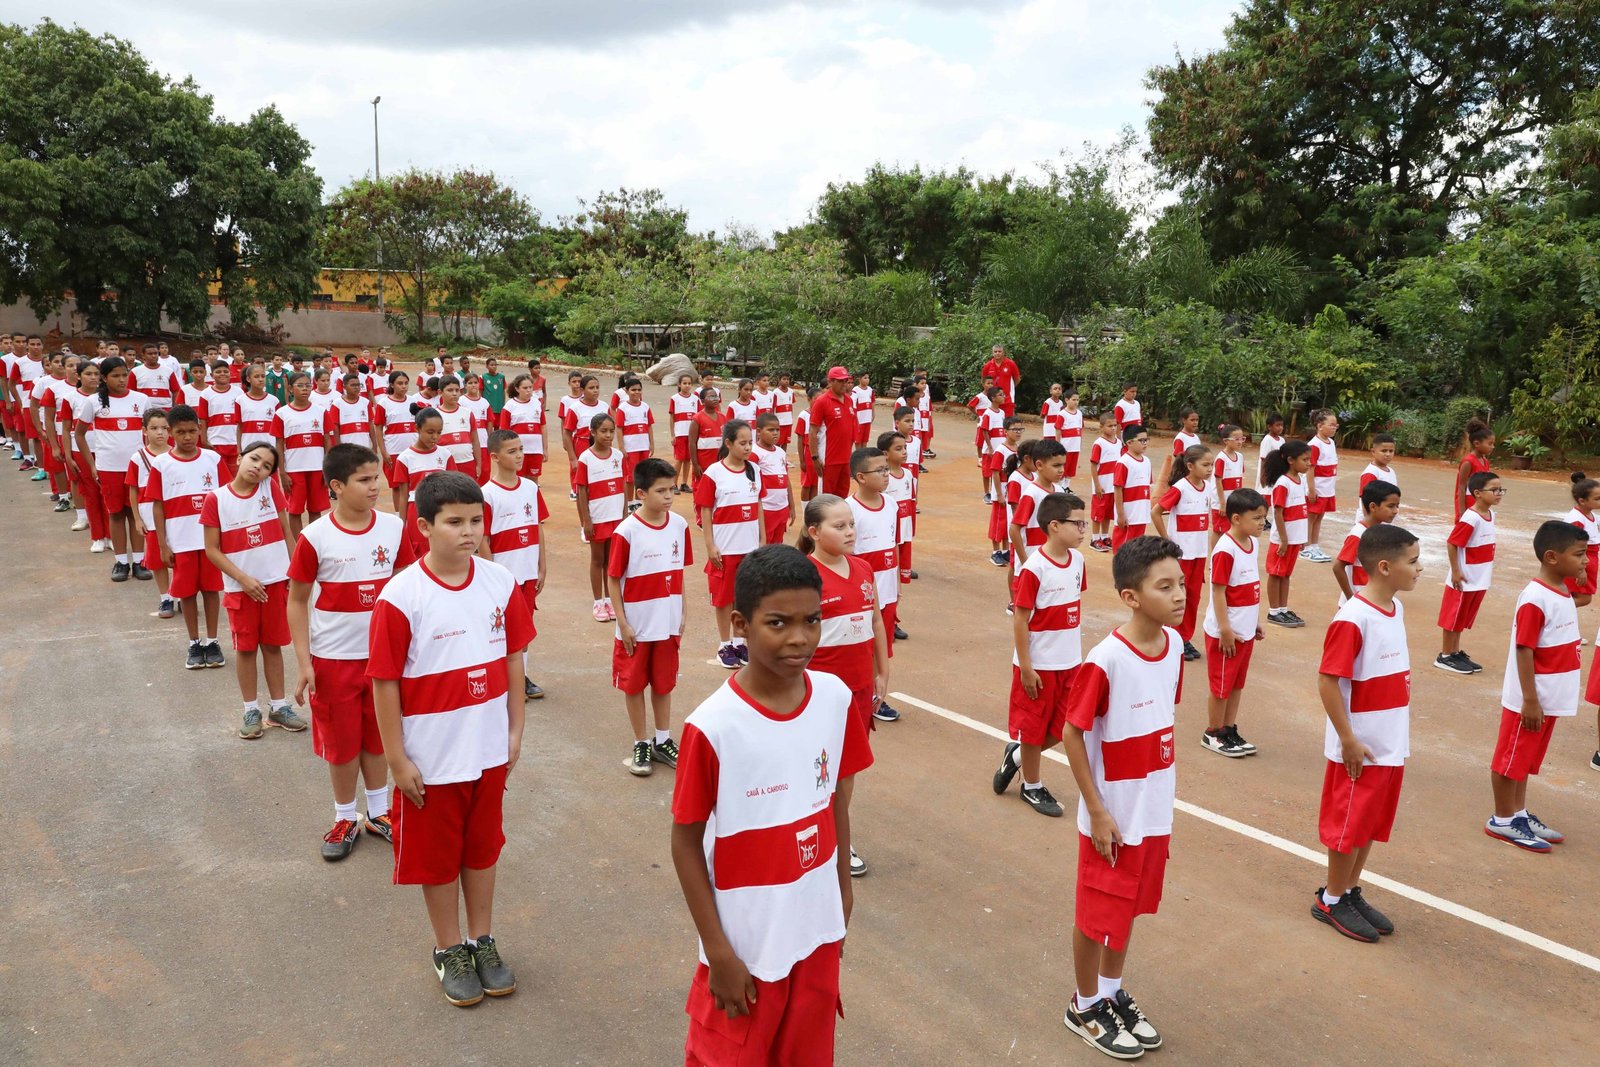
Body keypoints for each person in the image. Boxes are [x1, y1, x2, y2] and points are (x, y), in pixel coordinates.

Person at [669, 545, 871, 1066]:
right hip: (748, 947)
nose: (799, 638)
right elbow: (686, 843)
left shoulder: (833, 697)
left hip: (817, 932)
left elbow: (836, 804)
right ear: (741, 623)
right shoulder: (712, 726)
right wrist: (717, 952)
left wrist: (841, 899)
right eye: (778, 623)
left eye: (812, 620)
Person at [369, 470, 531, 1008]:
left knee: (482, 851)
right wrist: (396, 759)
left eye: (476, 520)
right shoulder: (401, 596)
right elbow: (385, 682)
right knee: (438, 858)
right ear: (423, 527)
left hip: (486, 750)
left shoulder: (499, 583)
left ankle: (482, 939)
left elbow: (513, 659)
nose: (469, 532)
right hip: (431, 758)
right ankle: (448, 948)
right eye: (454, 522)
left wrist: (514, 730)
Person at [1060, 536, 1184, 1060]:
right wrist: (1098, 810)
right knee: (1096, 914)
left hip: (1152, 811)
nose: (1180, 594)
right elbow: (1072, 733)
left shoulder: (1176, 646)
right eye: (1165, 586)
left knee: (1127, 909)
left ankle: (1111, 992)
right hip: (1113, 816)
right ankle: (1084, 1003)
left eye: (1180, 583)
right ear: (1131, 597)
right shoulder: (1105, 659)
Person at [287, 443, 413, 860]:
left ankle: (379, 813)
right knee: (342, 744)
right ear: (337, 487)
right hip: (333, 659)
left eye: (377, 477)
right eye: (364, 479)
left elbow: (407, 589)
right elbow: (297, 599)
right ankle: (345, 816)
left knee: (378, 738)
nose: (375, 486)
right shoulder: (314, 537)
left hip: (384, 661)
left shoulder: (394, 528)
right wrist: (305, 662)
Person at [1312, 523, 1421, 943]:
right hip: (1360, 745)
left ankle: (1350, 890)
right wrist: (1348, 739)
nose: (1419, 569)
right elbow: (1327, 680)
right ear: (1383, 566)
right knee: (1349, 825)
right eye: (1412, 562)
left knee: (1370, 823)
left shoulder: (1395, 609)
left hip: (1389, 741)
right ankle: (1331, 898)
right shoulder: (1354, 618)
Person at [1485, 520, 1587, 854]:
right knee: (1510, 759)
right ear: (1552, 557)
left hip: (1549, 698)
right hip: (1531, 700)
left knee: (1524, 761)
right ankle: (1501, 820)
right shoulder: (1535, 598)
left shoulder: (1561, 591)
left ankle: (1518, 813)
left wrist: (1583, 577)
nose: (1586, 560)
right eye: (1580, 555)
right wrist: (1529, 699)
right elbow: (1523, 648)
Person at [798, 494, 886, 879]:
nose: (850, 531)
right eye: (840, 526)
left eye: (851, 524)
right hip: (817, 693)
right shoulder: (803, 577)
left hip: (860, 689)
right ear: (814, 532)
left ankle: (837, 834)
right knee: (815, 768)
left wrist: (882, 671)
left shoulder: (864, 569)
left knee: (846, 767)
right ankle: (806, 832)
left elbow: (877, 621)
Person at [201, 441, 308, 739]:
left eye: (266, 466)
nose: (258, 468)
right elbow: (212, 549)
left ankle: (279, 707)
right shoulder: (216, 499)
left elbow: (287, 530)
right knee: (246, 650)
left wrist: (294, 571)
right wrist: (243, 579)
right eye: (254, 459)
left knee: (273, 645)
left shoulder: (270, 489)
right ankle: (251, 709)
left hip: (275, 583)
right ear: (239, 457)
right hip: (241, 589)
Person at [993, 491, 1087, 817]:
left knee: (1066, 727)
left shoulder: (1078, 561)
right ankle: (1031, 786)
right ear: (1054, 525)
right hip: (1039, 666)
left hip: (1070, 662)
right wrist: (1027, 667)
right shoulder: (1034, 568)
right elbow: (1021, 619)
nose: (1084, 529)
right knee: (1033, 729)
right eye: (1078, 523)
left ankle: (1016, 756)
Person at [607, 457, 691, 776]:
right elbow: (614, 578)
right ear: (641, 493)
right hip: (637, 625)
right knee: (633, 685)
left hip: (667, 622)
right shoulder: (626, 531)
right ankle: (641, 741)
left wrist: (682, 611)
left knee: (664, 683)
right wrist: (623, 623)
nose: (669, 497)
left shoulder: (679, 525)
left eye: (672, 490)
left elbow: (678, 572)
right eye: (661, 491)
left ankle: (663, 739)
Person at [150, 405, 227, 668]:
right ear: (170, 433)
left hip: (210, 542)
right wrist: (163, 544)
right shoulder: (161, 464)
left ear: (200, 430)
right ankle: (194, 643)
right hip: (180, 541)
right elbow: (158, 506)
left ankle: (213, 640)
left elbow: (225, 499)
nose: (187, 437)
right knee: (187, 593)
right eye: (180, 432)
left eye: (192, 431)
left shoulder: (213, 460)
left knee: (211, 590)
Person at [479, 430, 550, 701]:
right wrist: (491, 574)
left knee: (525, 628)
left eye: (521, 449)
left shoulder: (531, 488)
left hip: (528, 572)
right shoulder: (486, 494)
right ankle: (505, 681)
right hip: (503, 575)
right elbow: (483, 539)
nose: (520, 455)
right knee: (501, 628)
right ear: (495, 457)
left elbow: (538, 528)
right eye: (512, 451)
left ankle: (520, 677)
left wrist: (542, 566)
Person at [1200, 487, 1267, 758]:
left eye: (1264, 517)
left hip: (1245, 630)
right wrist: (1225, 629)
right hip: (1227, 633)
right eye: (1257, 518)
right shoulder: (1225, 549)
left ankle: (1228, 729)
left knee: (1236, 684)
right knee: (1221, 686)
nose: (1262, 523)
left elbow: (1249, 586)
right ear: (1237, 519)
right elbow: (1218, 591)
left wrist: (1255, 621)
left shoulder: (1253, 543)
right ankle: (1213, 732)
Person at [695, 419, 764, 669]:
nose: (747, 448)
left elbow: (758, 506)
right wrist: (710, 545)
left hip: (749, 548)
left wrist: (762, 540)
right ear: (728, 443)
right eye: (742, 443)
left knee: (743, 598)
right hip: (725, 548)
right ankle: (724, 644)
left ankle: (739, 641)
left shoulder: (754, 469)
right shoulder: (714, 472)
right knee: (723, 599)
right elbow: (705, 510)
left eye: (750, 443)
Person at [73, 358, 148, 569]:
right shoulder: (93, 401)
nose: (121, 379)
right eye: (115, 376)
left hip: (136, 469)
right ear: (104, 378)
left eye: (124, 375)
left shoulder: (141, 400)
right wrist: (92, 464)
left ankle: (140, 562)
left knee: (135, 515)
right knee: (115, 514)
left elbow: (150, 433)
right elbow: (79, 435)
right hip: (108, 468)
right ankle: (121, 562)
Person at [847, 446, 903, 719]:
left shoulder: (891, 504)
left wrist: (898, 585)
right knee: (863, 645)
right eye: (880, 470)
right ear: (860, 477)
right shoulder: (848, 510)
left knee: (882, 645)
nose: (886, 474)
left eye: (886, 469)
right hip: (863, 594)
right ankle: (868, 695)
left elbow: (893, 546)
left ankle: (875, 693)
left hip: (888, 590)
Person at [1151, 444, 1217, 661]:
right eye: (1205, 465)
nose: (1209, 469)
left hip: (1198, 554)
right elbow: (1156, 512)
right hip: (1182, 556)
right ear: (1190, 466)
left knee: (1193, 598)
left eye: (1211, 465)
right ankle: (1172, 635)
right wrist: (1167, 540)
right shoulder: (1180, 488)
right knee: (1177, 596)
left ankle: (1184, 637)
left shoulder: (1207, 487)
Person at [1436, 470, 1501, 675]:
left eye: (1501, 489)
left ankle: (1455, 652)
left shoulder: (1491, 515)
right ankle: (1445, 655)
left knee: (1462, 619)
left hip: (1479, 578)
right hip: (1464, 578)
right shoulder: (1471, 518)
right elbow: (1452, 543)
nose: (1499, 493)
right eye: (1494, 489)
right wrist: (1456, 571)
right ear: (1478, 493)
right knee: (1453, 617)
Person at [272, 372, 335, 540]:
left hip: (317, 468)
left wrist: (327, 468)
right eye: (300, 385)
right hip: (294, 469)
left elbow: (327, 440)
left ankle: (314, 542)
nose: (305, 389)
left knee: (316, 509)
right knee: (295, 510)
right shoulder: (282, 414)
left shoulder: (321, 411)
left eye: (307, 385)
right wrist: (282, 472)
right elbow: (279, 444)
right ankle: (299, 544)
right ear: (291, 389)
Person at [394, 407, 458, 558]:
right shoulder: (405, 458)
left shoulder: (445, 454)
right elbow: (403, 496)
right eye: (430, 432)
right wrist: (402, 525)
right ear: (417, 428)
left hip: (443, 510)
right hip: (416, 511)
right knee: (421, 553)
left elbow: (453, 488)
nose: (435, 437)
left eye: (439, 432)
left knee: (443, 549)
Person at [1264, 439, 1312, 628]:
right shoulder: (1283, 483)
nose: (1309, 463)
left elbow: (1300, 510)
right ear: (1291, 460)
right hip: (1282, 539)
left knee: (1285, 574)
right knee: (1275, 574)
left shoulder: (1299, 480)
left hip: (1293, 538)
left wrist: (1301, 538)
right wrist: (1283, 539)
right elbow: (1278, 511)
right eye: (1305, 460)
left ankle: (1283, 608)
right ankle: (1273, 611)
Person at [1334, 480, 1403, 606]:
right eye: (1390, 506)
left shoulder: (1381, 532)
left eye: (1397, 506)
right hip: (1358, 603)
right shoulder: (1358, 534)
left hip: (1373, 600)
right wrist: (1351, 600)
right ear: (1373, 507)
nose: (1395, 511)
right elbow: (1338, 567)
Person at [127, 409, 169, 592]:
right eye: (154, 428)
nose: (160, 432)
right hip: (150, 518)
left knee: (179, 558)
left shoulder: (176, 454)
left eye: (164, 428)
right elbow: (133, 489)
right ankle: (165, 598)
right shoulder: (138, 458)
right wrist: (137, 518)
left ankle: (181, 595)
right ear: (144, 431)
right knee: (158, 561)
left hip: (175, 515)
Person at [808, 367, 856, 498]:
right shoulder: (822, 402)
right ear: (830, 381)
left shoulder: (849, 400)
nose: (844, 384)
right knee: (826, 498)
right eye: (840, 381)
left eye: (846, 381)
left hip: (845, 459)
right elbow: (812, 431)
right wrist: (815, 457)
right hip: (828, 460)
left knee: (842, 495)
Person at [373, 372, 417, 515]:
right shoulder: (383, 404)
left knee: (414, 484)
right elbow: (378, 428)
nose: (403, 386)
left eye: (406, 383)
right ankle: (400, 515)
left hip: (412, 450)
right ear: (392, 384)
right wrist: (384, 451)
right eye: (400, 383)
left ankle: (414, 513)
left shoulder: (413, 402)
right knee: (397, 485)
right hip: (393, 451)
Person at [561, 375, 609, 500]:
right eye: (591, 388)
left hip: (601, 445)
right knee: (583, 481)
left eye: (597, 387)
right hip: (582, 445)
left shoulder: (604, 406)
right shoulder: (575, 408)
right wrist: (572, 458)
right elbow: (567, 432)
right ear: (582, 390)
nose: (595, 390)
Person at [882, 419, 919, 582]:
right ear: (885, 454)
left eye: (905, 448)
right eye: (898, 449)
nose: (904, 452)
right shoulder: (883, 477)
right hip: (890, 522)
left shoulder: (908, 474)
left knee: (904, 546)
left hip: (905, 520)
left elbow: (911, 499)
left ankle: (904, 571)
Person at [752, 412, 794, 548]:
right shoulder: (754, 453)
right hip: (765, 509)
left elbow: (786, 480)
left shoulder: (781, 452)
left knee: (777, 545)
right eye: (770, 430)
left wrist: (791, 505)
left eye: (777, 430)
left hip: (781, 508)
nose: (775, 433)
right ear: (758, 432)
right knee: (763, 545)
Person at [1303, 409, 1340, 563]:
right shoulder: (1314, 445)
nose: (1334, 428)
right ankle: (1305, 548)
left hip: (1327, 489)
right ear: (1319, 426)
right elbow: (1310, 469)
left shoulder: (1331, 442)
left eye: (1335, 425)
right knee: (1311, 517)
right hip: (1317, 488)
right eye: (1331, 425)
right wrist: (1311, 490)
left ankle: (1314, 545)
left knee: (1319, 517)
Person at [195, 363, 243, 476]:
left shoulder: (239, 393)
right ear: (212, 375)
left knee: (236, 478)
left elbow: (242, 420)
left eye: (225, 371)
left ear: (230, 373)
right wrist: (204, 440)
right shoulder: (205, 394)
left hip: (235, 443)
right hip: (215, 442)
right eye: (218, 372)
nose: (222, 374)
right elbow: (202, 419)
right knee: (218, 477)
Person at [498, 374, 547, 483]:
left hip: (536, 450)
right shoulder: (509, 406)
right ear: (517, 389)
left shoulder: (537, 403)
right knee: (518, 480)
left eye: (530, 387)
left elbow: (543, 427)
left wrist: (545, 449)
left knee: (533, 481)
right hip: (517, 452)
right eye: (525, 388)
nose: (529, 390)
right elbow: (504, 433)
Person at [1111, 424, 1153, 551]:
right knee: (1123, 547)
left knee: (1137, 547)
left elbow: (1147, 487)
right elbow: (1118, 489)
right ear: (1129, 442)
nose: (1145, 443)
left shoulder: (1147, 461)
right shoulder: (1123, 463)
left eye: (1146, 440)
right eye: (1141, 440)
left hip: (1141, 514)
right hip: (1129, 514)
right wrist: (1121, 514)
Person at [1564, 472, 1600, 607]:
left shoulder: (1592, 515)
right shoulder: (1577, 519)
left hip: (1590, 559)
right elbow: (1573, 546)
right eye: (1598, 499)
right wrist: (1580, 569)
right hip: (1582, 558)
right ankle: (1555, 612)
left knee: (1573, 594)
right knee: (1584, 598)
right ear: (1582, 501)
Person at [615, 377, 655, 497]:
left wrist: (651, 444)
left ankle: (638, 501)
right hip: (630, 447)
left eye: (639, 389)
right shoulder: (622, 408)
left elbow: (649, 426)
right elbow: (619, 428)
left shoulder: (645, 407)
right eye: (633, 390)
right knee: (630, 477)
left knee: (642, 475)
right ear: (626, 391)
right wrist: (621, 447)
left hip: (643, 446)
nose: (636, 392)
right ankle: (630, 502)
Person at [1087, 417, 1121, 553]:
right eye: (1109, 425)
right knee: (1098, 513)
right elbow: (1094, 465)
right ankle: (1094, 539)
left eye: (1115, 425)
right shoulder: (1099, 444)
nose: (1113, 428)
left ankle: (1105, 536)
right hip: (1102, 485)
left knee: (1107, 513)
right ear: (1101, 427)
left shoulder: (1119, 442)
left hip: (1113, 485)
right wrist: (1097, 484)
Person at [1453, 418, 1495, 520]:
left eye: (1493, 444)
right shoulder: (1468, 462)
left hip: (1480, 504)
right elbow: (1461, 487)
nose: (1492, 447)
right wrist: (1462, 513)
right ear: (1477, 444)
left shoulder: (1485, 461)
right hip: (1469, 505)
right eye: (1490, 444)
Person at [668, 372, 701, 492]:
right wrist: (673, 434)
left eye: (689, 383)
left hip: (691, 435)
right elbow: (672, 418)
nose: (687, 386)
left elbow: (698, 417)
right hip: (680, 433)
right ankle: (673, 484)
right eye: (684, 383)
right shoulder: (674, 398)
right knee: (679, 459)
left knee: (688, 459)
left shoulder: (695, 399)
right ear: (679, 384)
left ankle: (684, 483)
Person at [1211, 424, 1247, 532]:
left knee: (1231, 530)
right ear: (1226, 441)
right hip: (1222, 502)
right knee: (1219, 531)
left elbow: (1239, 480)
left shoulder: (1240, 457)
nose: (1240, 442)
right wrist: (1222, 504)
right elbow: (1218, 481)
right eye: (1236, 439)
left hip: (1234, 501)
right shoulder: (1222, 458)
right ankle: (1216, 549)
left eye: (1242, 438)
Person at [1155, 407, 1201, 490]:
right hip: (1184, 474)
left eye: (1197, 420)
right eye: (1192, 420)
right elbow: (1179, 459)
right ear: (1184, 420)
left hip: (1195, 473)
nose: (1195, 423)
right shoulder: (1181, 438)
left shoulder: (1196, 437)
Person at [688, 388, 726, 490]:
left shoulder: (723, 417)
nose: (715, 399)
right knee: (702, 491)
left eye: (716, 396)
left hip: (719, 463)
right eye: (711, 396)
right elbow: (692, 443)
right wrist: (695, 465)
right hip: (703, 464)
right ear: (703, 401)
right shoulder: (697, 419)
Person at [1357, 432, 1399, 505]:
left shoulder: (1391, 471)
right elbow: (1365, 500)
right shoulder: (1371, 473)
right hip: (1373, 515)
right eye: (1384, 451)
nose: (1388, 454)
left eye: (1391, 451)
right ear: (1373, 452)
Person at [982, 343, 1020, 416]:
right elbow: (984, 381)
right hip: (992, 399)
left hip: (1007, 399)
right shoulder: (988, 366)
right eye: (995, 351)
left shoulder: (1011, 364)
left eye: (999, 351)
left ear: (1003, 353)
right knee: (993, 422)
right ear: (992, 353)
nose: (997, 353)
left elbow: (1017, 379)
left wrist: (1010, 389)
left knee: (1008, 422)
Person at [1255, 412, 1286, 492]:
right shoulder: (1267, 440)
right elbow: (1264, 459)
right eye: (1277, 425)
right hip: (1268, 472)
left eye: (1281, 425)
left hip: (1278, 471)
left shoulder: (1282, 440)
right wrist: (1263, 477)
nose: (1280, 428)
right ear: (1269, 427)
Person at [1059, 388, 1084, 482]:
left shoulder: (1079, 413)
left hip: (1075, 446)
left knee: (1071, 469)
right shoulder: (1062, 414)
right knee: (1064, 466)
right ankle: (1060, 487)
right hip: (1066, 446)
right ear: (1066, 400)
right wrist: (1058, 444)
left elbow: (1081, 429)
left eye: (1077, 400)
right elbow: (1058, 429)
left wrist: (1080, 442)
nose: (1076, 402)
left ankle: (1067, 487)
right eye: (1074, 400)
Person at [850, 372, 875, 446]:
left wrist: (873, 414)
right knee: (858, 440)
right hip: (859, 418)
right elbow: (854, 403)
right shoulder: (855, 390)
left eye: (868, 378)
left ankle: (864, 455)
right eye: (865, 378)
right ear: (859, 379)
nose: (867, 380)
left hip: (867, 418)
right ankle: (859, 455)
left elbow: (872, 402)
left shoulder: (870, 390)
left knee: (865, 440)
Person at [772, 372, 796, 449]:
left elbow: (790, 406)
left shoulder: (791, 391)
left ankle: (783, 458)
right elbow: (773, 407)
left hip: (788, 422)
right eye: (784, 379)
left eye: (788, 379)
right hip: (779, 422)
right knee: (778, 442)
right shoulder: (775, 392)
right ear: (779, 380)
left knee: (785, 442)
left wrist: (791, 418)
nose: (786, 381)